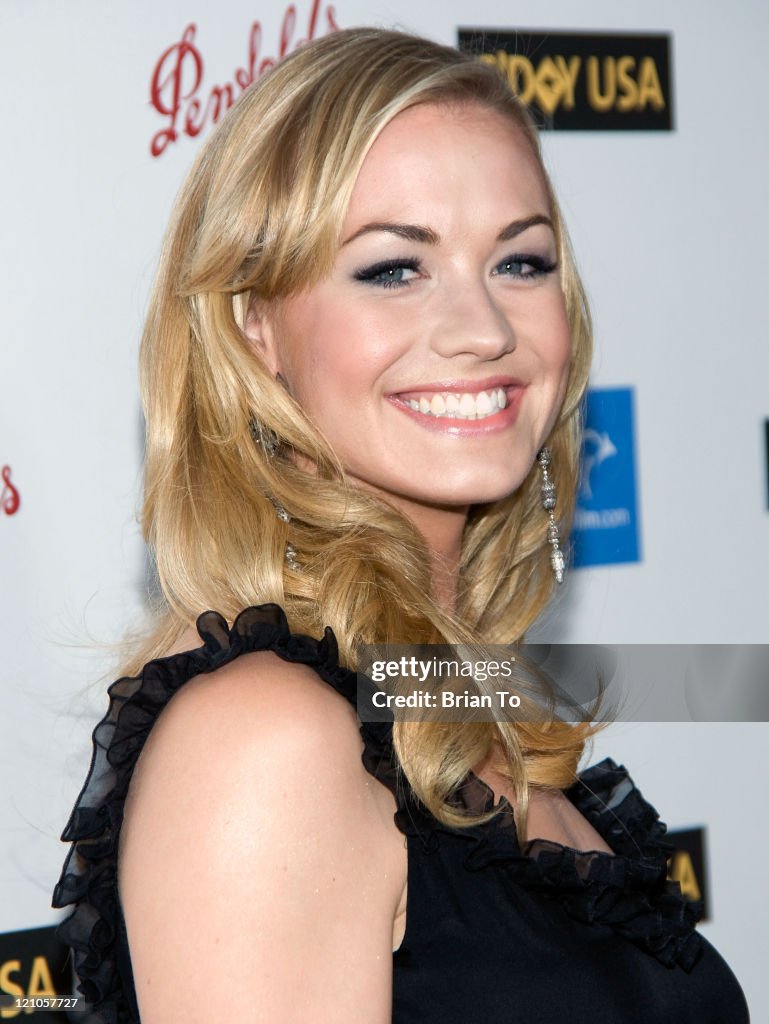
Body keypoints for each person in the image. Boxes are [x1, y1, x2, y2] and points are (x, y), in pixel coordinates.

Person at [51, 26, 750, 1023]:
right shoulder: (267, 742)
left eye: (521, 260)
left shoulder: (463, 719)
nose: (484, 328)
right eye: (393, 268)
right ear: (256, 322)